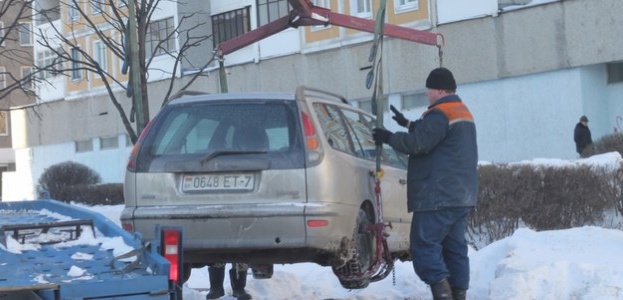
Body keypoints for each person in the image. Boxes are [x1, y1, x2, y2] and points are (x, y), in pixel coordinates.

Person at [372, 67, 478, 300]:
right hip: (462, 195)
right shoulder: (460, 111)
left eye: (429, 89)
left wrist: (389, 137)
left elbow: (419, 144)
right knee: (455, 249)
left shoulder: (440, 113)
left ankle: (442, 294)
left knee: (424, 246)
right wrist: (408, 124)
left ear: (439, 90)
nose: (427, 93)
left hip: (437, 195)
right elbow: (435, 136)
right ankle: (458, 294)